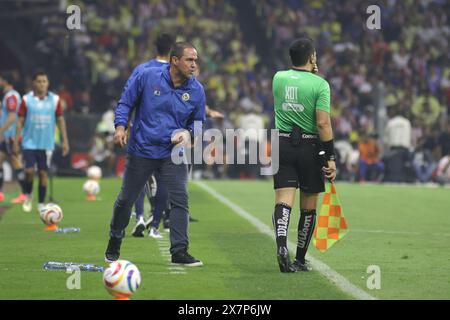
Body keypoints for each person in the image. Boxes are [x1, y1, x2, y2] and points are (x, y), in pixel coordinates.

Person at [105, 42, 206, 267]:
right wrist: (120, 127)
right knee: (126, 200)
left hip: (173, 153)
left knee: (180, 200)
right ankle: (115, 238)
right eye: (189, 59)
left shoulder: (197, 90)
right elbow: (125, 103)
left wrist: (188, 134)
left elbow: (198, 123)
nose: (194, 64)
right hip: (142, 149)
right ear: (174, 60)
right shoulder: (147, 76)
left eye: (195, 60)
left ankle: (179, 251)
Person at [271, 37, 336, 273]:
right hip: (310, 146)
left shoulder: (278, 78)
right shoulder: (320, 85)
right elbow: (323, 123)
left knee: (283, 200)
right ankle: (299, 259)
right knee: (308, 206)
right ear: (312, 57)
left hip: (282, 143)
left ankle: (280, 246)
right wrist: (330, 157)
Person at [13, 70, 70, 212]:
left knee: (43, 173)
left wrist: (65, 141)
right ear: (34, 83)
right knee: (29, 171)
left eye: (44, 81)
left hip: (46, 144)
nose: (42, 84)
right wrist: (15, 141)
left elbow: (60, 120)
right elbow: (19, 121)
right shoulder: (26, 100)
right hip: (29, 142)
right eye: (39, 81)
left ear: (48, 83)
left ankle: (41, 203)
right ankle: (28, 194)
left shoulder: (55, 100)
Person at [0, 72, 27, 203]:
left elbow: (12, 117)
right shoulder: (7, 96)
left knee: (16, 162)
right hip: (6, 136)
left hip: (12, 136)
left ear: (5, 81)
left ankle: (25, 193)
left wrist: (1, 130)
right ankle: (0, 193)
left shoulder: (11, 96)